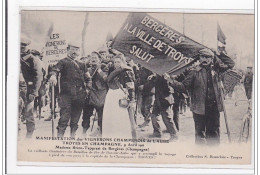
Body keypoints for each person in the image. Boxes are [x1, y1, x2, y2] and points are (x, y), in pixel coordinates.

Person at [167, 48, 235, 145]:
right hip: (199, 108)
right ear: (199, 58)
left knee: (214, 134)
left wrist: (219, 54)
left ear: (212, 59)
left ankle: (213, 155)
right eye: (203, 56)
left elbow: (231, 64)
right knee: (200, 135)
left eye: (208, 57)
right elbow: (183, 87)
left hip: (214, 108)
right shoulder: (194, 71)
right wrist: (171, 81)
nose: (205, 60)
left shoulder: (216, 70)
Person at [49, 42, 88, 138]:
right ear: (68, 50)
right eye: (73, 49)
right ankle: (60, 137)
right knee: (64, 117)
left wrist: (88, 89)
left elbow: (88, 78)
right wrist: (53, 76)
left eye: (77, 50)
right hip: (66, 95)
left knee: (76, 118)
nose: (75, 52)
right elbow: (55, 70)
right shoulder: (62, 62)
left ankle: (72, 136)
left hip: (80, 95)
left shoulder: (82, 64)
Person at [102, 54, 136, 139]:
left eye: (118, 62)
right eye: (115, 62)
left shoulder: (126, 71)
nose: (116, 64)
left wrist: (132, 100)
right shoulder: (113, 71)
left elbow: (131, 86)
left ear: (123, 62)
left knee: (121, 117)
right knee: (111, 117)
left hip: (120, 95)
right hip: (111, 95)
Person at [20, 38, 43, 138]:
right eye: (19, 46)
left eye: (23, 46)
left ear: (27, 47)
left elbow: (38, 77)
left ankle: (29, 136)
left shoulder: (33, 59)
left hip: (27, 90)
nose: (21, 48)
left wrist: (33, 92)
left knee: (28, 114)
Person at [82, 52, 108, 137]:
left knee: (100, 115)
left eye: (95, 58)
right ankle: (84, 132)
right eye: (91, 57)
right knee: (86, 114)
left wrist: (99, 69)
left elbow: (106, 79)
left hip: (100, 95)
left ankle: (100, 132)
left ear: (99, 59)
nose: (93, 59)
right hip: (89, 95)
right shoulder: (87, 68)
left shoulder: (104, 67)